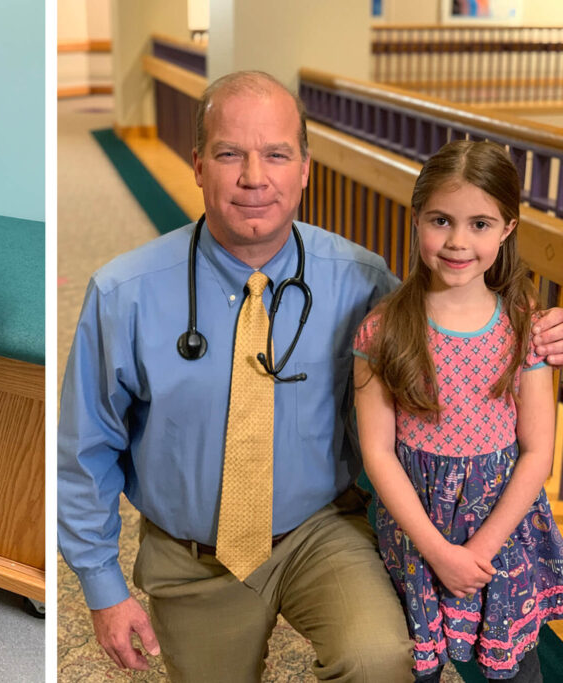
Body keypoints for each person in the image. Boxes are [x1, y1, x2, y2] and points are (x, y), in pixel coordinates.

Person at [57, 70, 563, 682]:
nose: (254, 178)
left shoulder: (361, 279)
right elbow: (83, 451)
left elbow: (455, 318)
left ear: (304, 168)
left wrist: (547, 330)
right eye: (228, 154)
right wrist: (101, 587)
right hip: (192, 551)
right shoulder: (123, 293)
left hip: (321, 529)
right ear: (197, 165)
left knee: (380, 659)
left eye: (276, 154)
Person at [354, 140, 563, 682]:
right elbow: (377, 452)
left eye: (480, 224)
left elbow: (539, 450)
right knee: (413, 665)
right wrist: (439, 552)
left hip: (502, 529)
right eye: (441, 220)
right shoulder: (383, 329)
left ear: (508, 230)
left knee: (515, 670)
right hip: (416, 528)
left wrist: (481, 548)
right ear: (417, 216)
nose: (456, 242)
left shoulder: (525, 326)